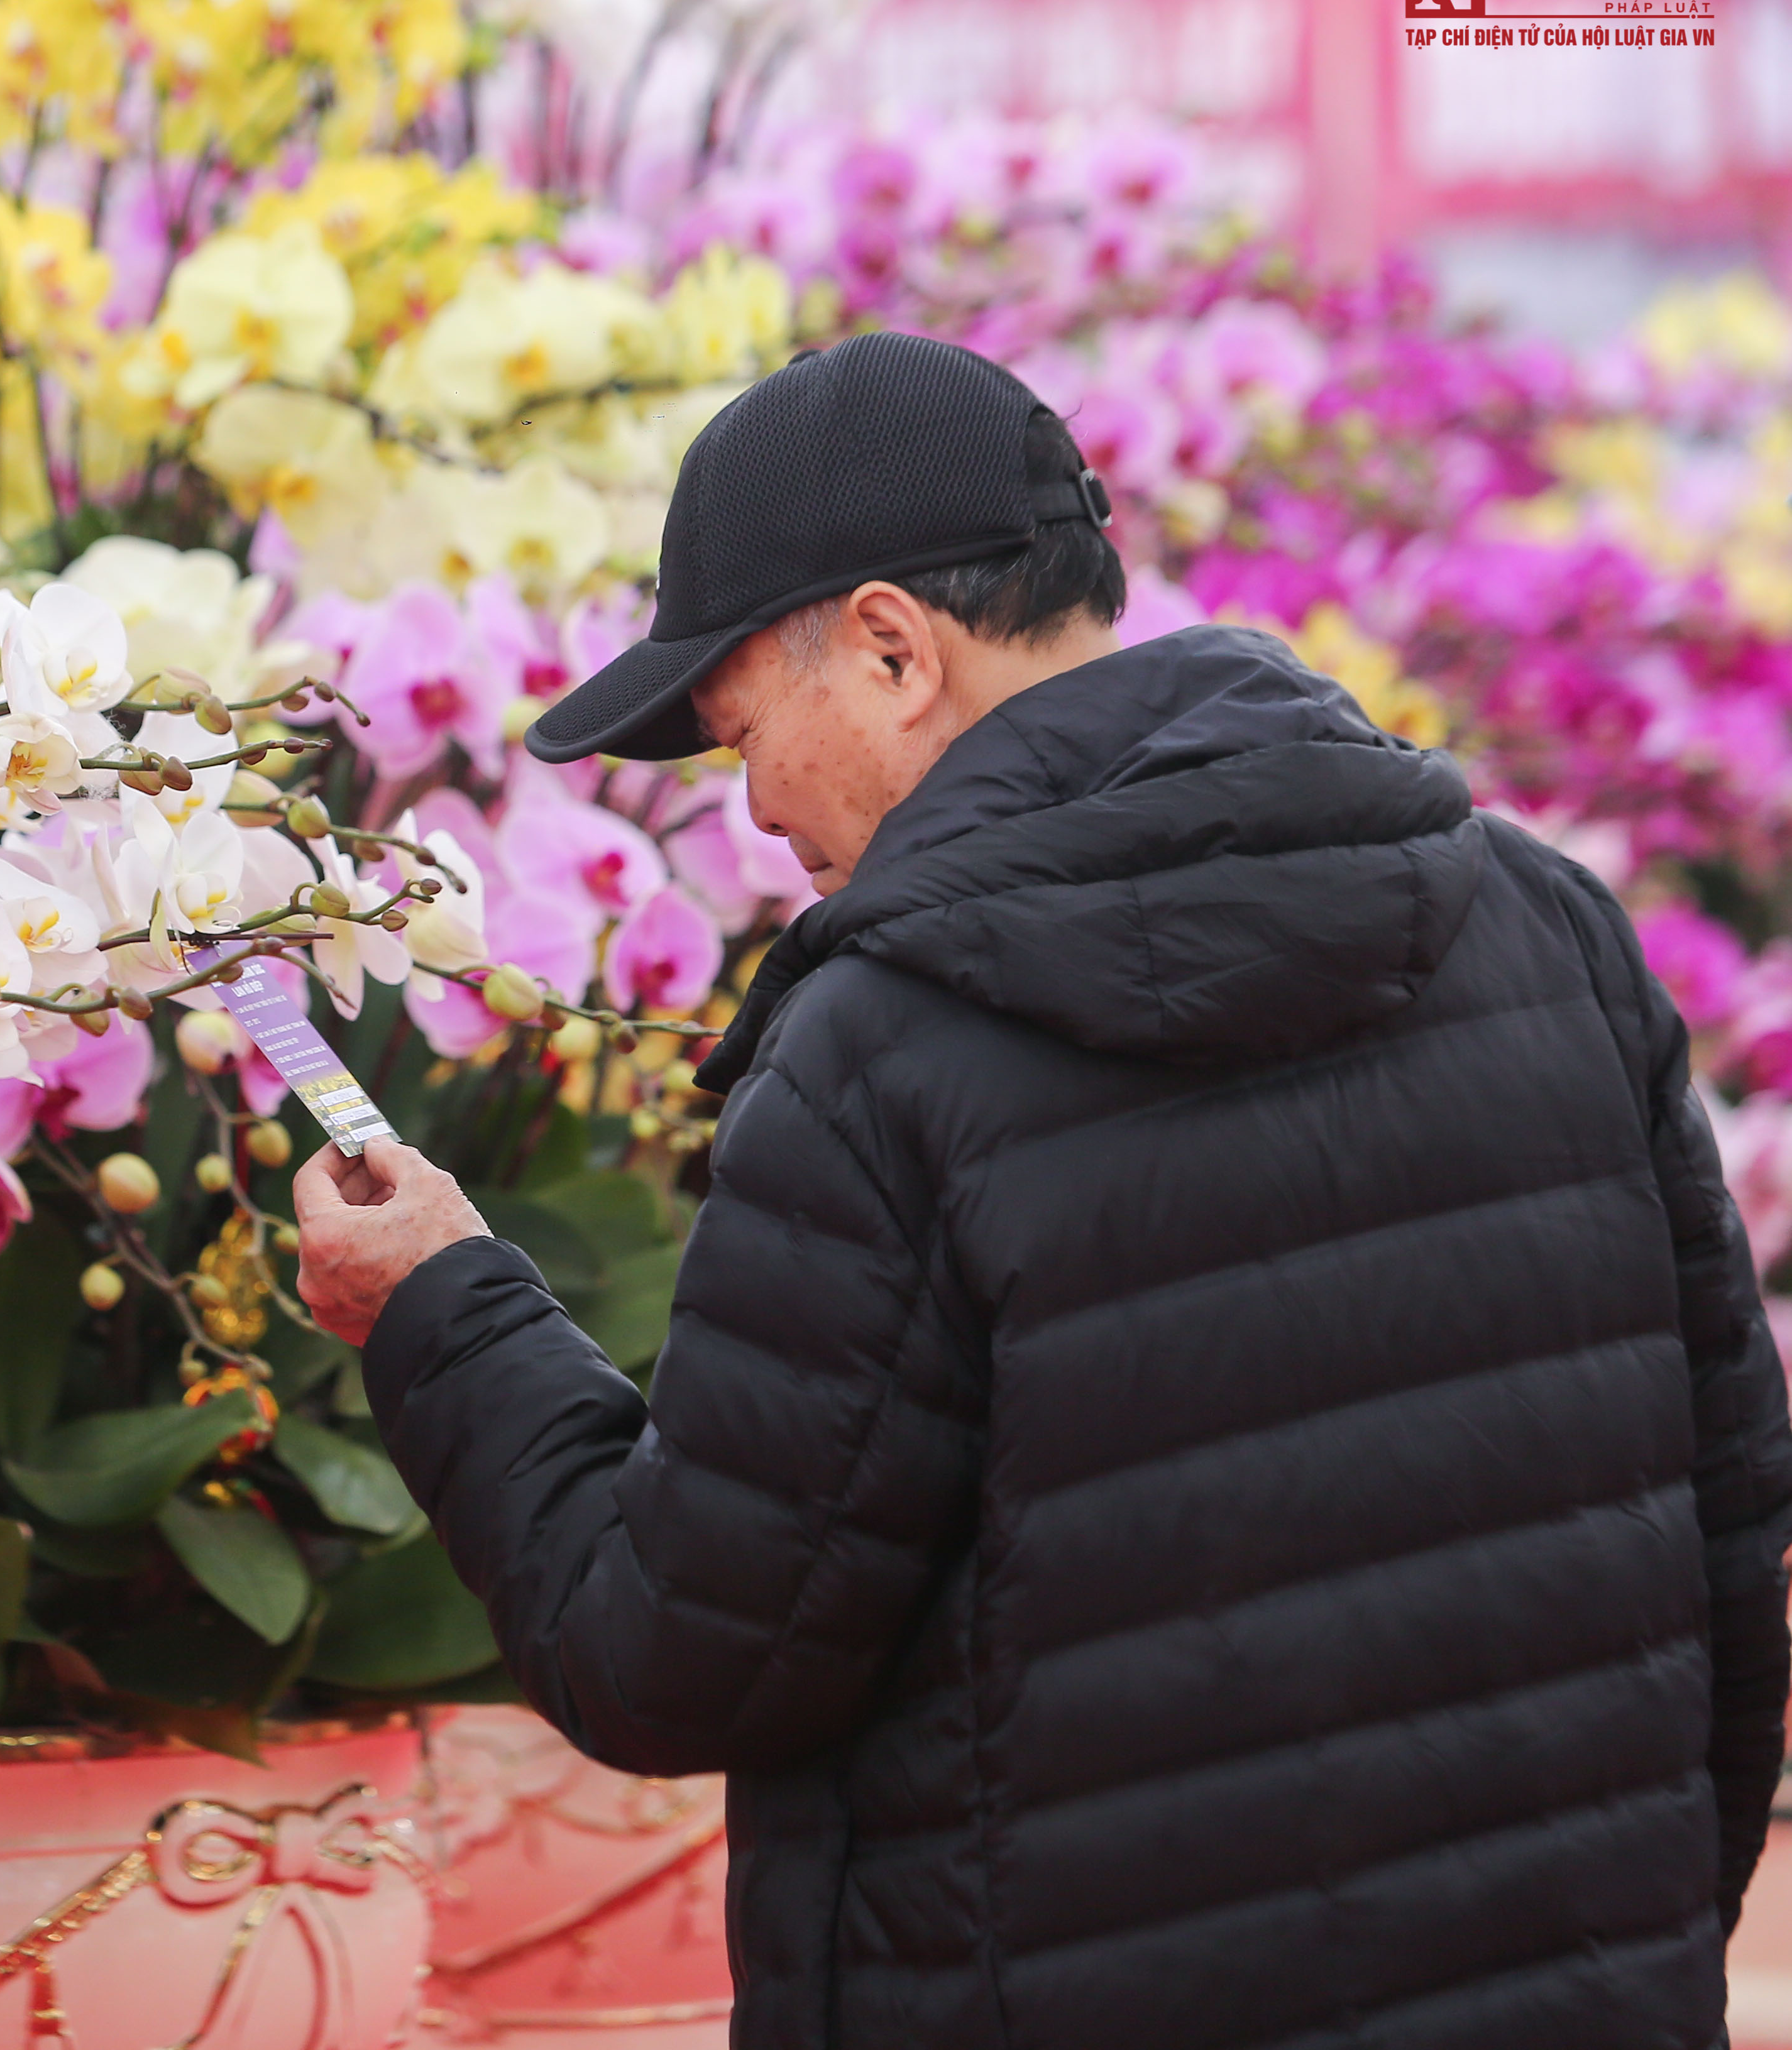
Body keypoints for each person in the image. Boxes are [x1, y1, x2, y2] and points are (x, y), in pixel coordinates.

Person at [290, 330, 1792, 2050]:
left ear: (888, 648)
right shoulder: (1546, 927)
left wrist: (445, 1311)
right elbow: (1731, 1545)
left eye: (744, 729)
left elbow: (676, 1651)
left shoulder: (886, 1051)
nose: (757, 802)